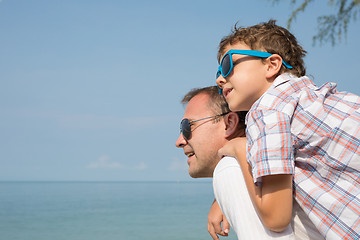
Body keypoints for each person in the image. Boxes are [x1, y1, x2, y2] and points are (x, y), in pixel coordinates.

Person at [215, 19, 360, 239]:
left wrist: (239, 148)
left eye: (227, 65)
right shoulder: (314, 100)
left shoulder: (267, 110)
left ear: (271, 65)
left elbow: (276, 217)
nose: (219, 78)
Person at [175, 86, 295, 239]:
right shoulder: (264, 161)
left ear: (230, 123)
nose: (179, 141)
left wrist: (226, 177)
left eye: (187, 126)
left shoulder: (230, 168)